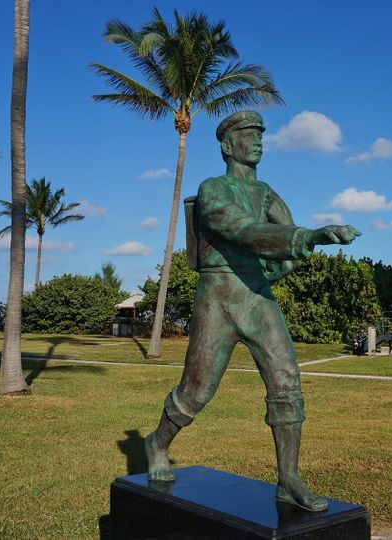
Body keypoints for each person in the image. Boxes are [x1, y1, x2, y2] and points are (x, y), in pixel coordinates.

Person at [143, 110, 361, 512]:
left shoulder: (268, 194)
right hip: (219, 296)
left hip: (256, 297)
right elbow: (244, 231)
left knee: (286, 378)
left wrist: (287, 258)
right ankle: (158, 442)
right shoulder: (213, 190)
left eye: (261, 133)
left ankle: (288, 478)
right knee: (197, 390)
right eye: (249, 133)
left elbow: (284, 252)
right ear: (228, 145)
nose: (258, 139)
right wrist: (308, 236)